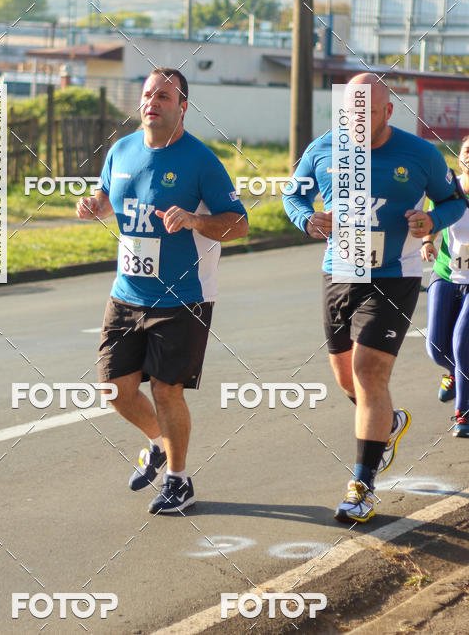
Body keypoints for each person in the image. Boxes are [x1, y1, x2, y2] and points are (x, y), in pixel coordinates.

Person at [283, 73, 465, 523]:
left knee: (368, 373)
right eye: (351, 111)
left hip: (393, 275)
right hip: (339, 272)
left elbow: (455, 202)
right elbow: (293, 196)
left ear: (388, 111)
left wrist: (431, 220)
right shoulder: (323, 149)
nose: (358, 119)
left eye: (368, 110)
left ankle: (361, 486)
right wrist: (307, 219)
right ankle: (387, 422)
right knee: (349, 380)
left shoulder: (420, 154)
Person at [76, 68, 248, 514]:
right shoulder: (122, 149)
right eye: (148, 95)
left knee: (167, 390)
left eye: (164, 97)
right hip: (127, 292)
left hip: (183, 295)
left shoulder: (201, 161)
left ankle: (178, 479)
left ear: (183, 107)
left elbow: (239, 223)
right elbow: (108, 195)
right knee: (114, 388)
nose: (152, 102)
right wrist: (95, 204)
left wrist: (193, 220)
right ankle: (157, 443)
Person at [421, 134, 469, 438]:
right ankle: (453, 372)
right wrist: (427, 240)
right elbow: (431, 218)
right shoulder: (447, 187)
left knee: (463, 343)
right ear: (459, 156)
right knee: (437, 347)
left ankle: (463, 415)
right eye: (467, 150)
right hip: (446, 271)